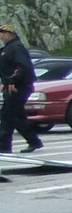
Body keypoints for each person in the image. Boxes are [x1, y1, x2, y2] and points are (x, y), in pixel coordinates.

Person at [0, 22, 45, 154]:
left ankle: (4, 147)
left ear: (10, 34)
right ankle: (34, 141)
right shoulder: (7, 49)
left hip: (19, 87)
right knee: (17, 116)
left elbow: (22, 67)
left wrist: (12, 81)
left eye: (2, 33)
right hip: (11, 86)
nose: (1, 36)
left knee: (7, 116)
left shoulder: (16, 48)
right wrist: (6, 82)